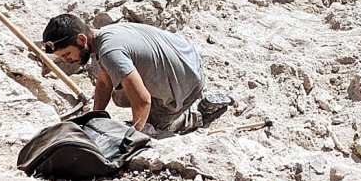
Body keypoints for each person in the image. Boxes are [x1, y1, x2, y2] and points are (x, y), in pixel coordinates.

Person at [41, 14, 231, 135]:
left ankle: (196, 115)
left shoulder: (109, 52)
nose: (67, 60)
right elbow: (104, 82)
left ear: (81, 39)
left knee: (152, 126)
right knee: (116, 80)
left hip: (187, 85)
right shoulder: (105, 35)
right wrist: (94, 117)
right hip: (187, 61)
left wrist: (133, 135)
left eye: (67, 54)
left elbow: (143, 101)